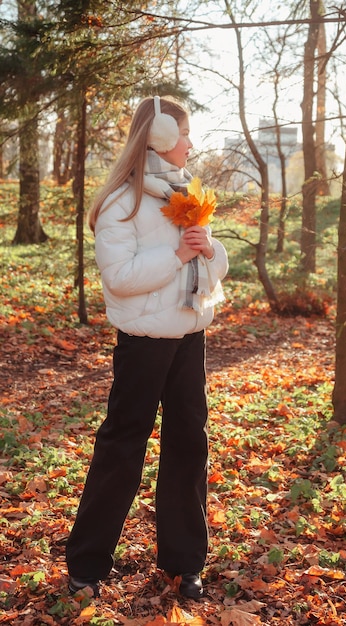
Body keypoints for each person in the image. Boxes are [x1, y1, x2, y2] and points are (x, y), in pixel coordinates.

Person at [65, 95, 228, 600]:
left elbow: (213, 268)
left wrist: (207, 249)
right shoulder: (124, 202)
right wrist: (179, 253)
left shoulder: (184, 192)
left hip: (189, 338)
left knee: (189, 445)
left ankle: (185, 564)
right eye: (183, 133)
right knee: (123, 445)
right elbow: (120, 279)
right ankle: (86, 566)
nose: (191, 143)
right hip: (142, 344)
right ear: (157, 136)